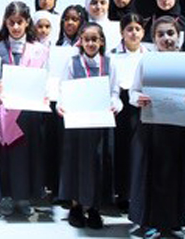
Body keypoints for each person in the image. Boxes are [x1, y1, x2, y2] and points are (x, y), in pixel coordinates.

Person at [129, 16, 185, 238]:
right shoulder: (147, 61)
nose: (166, 38)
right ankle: (152, 222)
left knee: (176, 174)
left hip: (178, 127)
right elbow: (133, 91)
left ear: (178, 36)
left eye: (170, 33)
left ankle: (174, 221)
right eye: (160, 34)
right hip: (152, 127)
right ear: (154, 38)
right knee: (152, 174)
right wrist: (138, 98)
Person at [56, 22, 119, 229]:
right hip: (78, 124)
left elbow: (115, 92)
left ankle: (94, 208)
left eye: (94, 39)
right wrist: (61, 105)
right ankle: (76, 207)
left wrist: (115, 105)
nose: (90, 43)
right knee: (76, 163)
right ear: (80, 41)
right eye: (86, 39)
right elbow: (63, 88)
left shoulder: (109, 63)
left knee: (97, 164)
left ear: (101, 41)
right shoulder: (72, 62)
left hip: (100, 124)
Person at [0, 1, 50, 218]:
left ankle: (24, 196)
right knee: (6, 154)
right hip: (5, 112)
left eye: (20, 22)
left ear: (27, 23)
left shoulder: (39, 50)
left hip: (29, 112)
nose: (16, 27)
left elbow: (45, 78)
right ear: (5, 23)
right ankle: (6, 196)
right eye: (11, 22)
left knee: (27, 154)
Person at [110, 13, 148, 210]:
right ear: (122, 32)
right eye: (129, 29)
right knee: (122, 150)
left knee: (138, 151)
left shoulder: (149, 54)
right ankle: (121, 193)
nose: (134, 33)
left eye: (137, 29)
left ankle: (137, 194)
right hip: (120, 106)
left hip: (143, 106)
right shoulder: (112, 55)